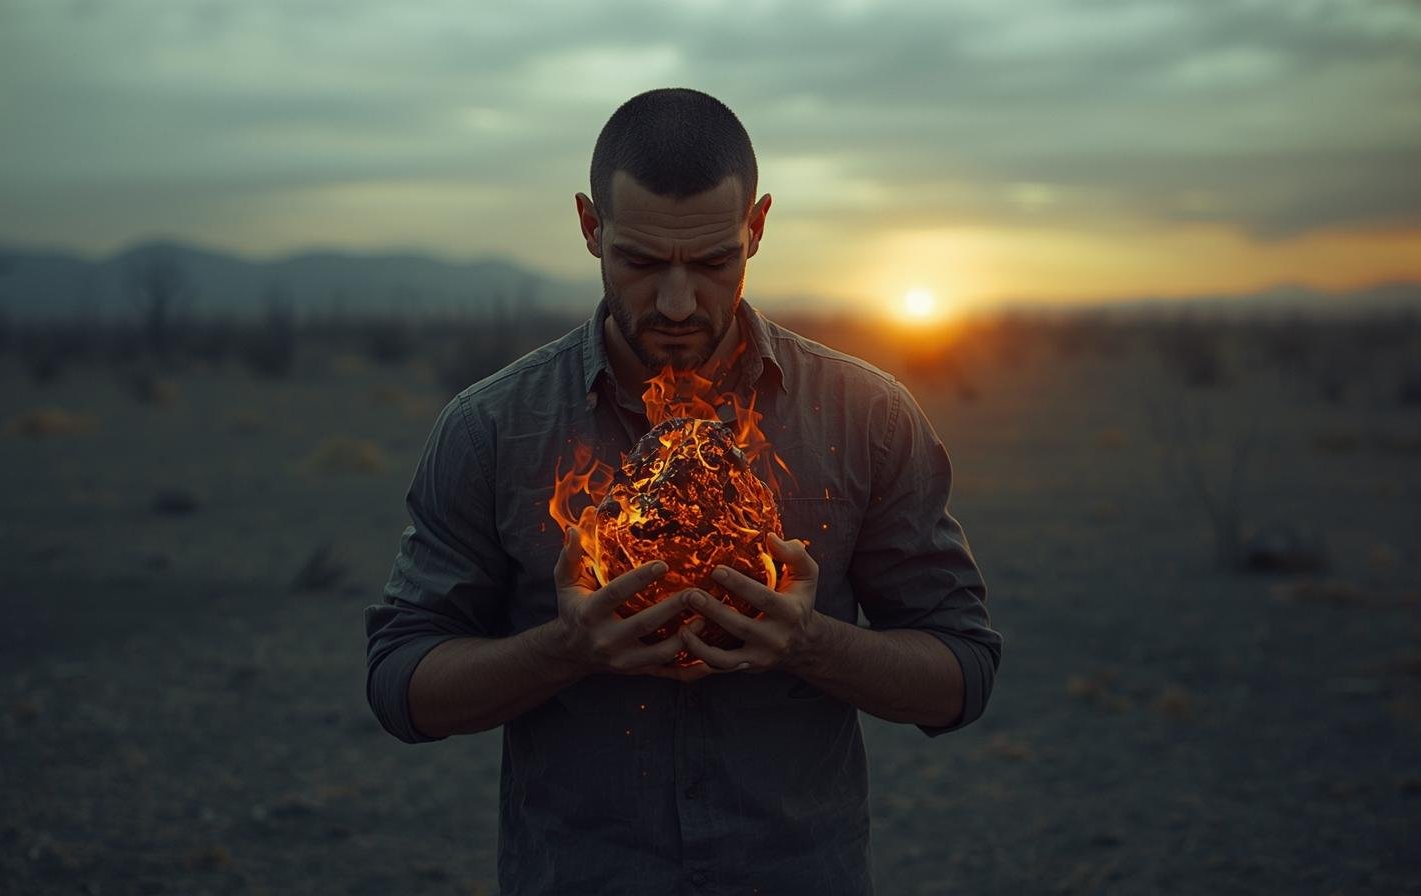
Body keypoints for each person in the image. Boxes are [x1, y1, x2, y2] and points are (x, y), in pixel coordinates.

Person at [365, 87, 1002, 896]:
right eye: (638, 261)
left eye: (712, 263)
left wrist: (811, 643)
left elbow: (963, 674)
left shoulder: (866, 416)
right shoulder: (493, 428)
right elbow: (400, 683)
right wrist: (564, 651)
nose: (676, 303)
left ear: (757, 228)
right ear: (590, 226)